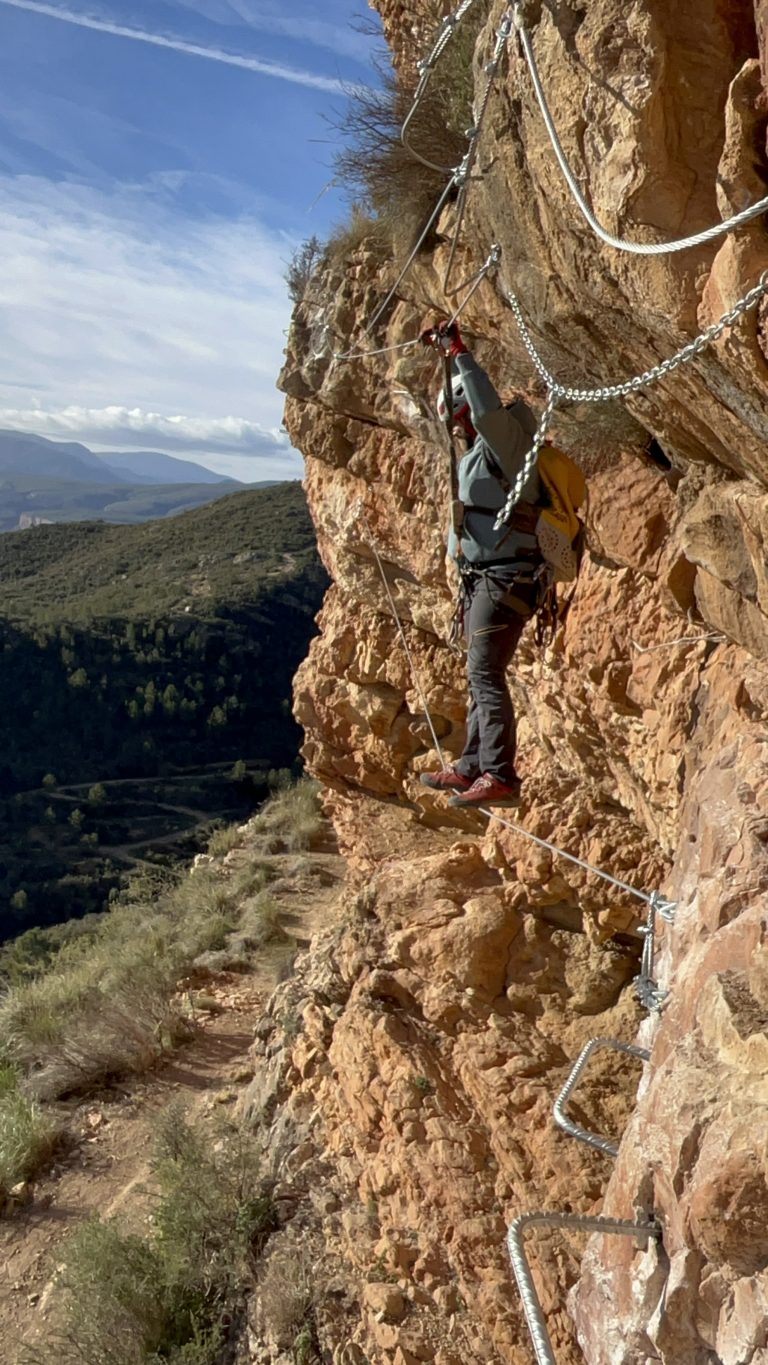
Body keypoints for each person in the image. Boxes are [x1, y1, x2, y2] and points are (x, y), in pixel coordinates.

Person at [419, 319, 543, 808]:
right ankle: (473, 764)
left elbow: (489, 409)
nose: (455, 426)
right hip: (486, 579)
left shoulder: (507, 447)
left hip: (504, 579)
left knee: (486, 675)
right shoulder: (480, 455)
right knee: (478, 673)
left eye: (457, 416)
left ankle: (499, 774)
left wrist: (459, 354)